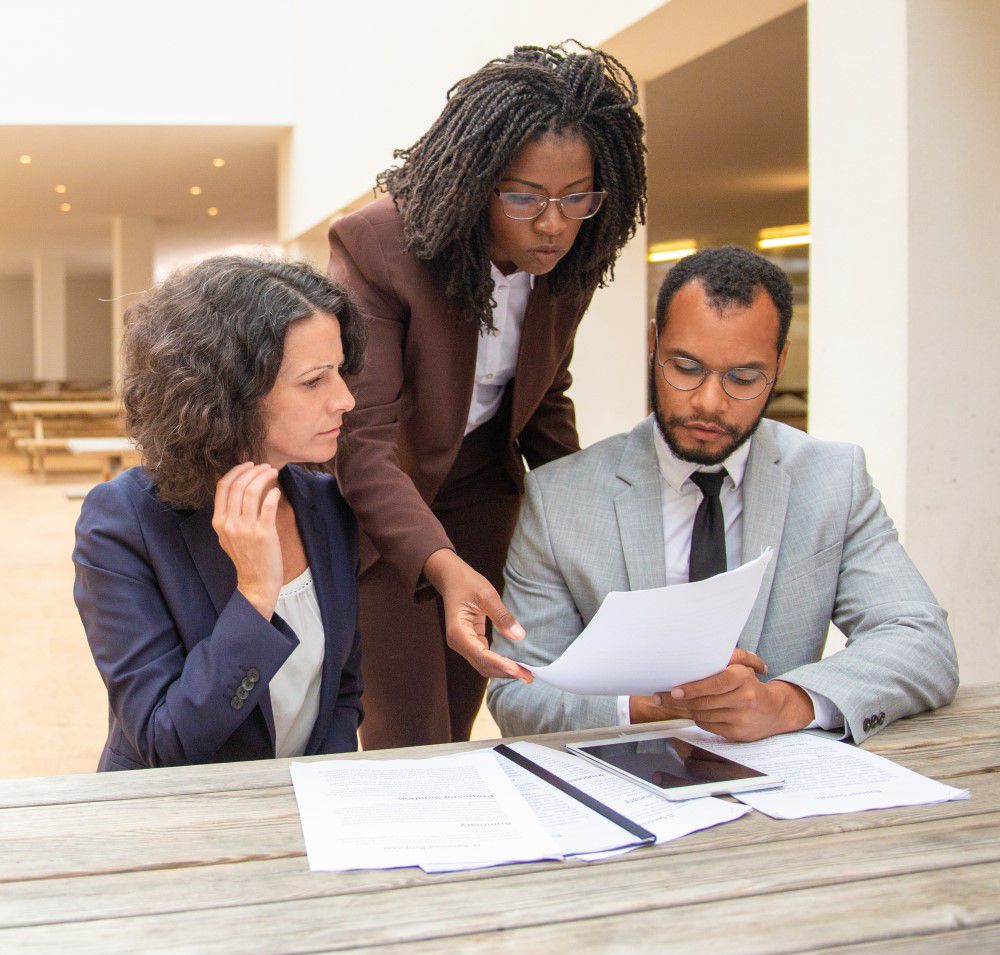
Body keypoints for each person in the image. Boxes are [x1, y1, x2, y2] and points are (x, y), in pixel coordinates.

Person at [488, 246, 958, 742]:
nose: (709, 403)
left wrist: (786, 701)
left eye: (742, 378)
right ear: (653, 343)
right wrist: (644, 706)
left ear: (780, 362)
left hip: (789, 793)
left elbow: (920, 641)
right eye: (687, 368)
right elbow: (517, 692)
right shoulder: (561, 497)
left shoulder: (833, 480)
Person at [328, 42, 647, 748]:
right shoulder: (380, 247)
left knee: (461, 710)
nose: (554, 223)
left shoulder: (571, 258)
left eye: (576, 197)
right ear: (477, 182)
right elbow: (360, 439)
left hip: (480, 496)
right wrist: (441, 567)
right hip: (382, 508)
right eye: (525, 196)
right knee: (409, 733)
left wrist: (590, 520)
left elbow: (543, 400)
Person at [73, 257, 367, 769]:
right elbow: (166, 741)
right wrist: (255, 593)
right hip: (179, 819)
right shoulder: (123, 522)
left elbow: (342, 691)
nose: (346, 398)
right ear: (233, 392)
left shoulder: (325, 504)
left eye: (340, 372)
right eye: (315, 380)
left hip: (306, 812)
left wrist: (325, 798)